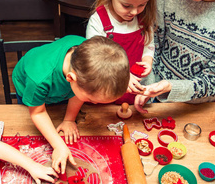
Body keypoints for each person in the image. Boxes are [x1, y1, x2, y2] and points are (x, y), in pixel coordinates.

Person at [12, 35, 130, 174]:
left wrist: (69, 119)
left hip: (62, 89)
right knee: (36, 105)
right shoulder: (38, 81)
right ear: (70, 78)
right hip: (27, 85)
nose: (95, 103)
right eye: (91, 100)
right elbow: (38, 112)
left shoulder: (85, 58)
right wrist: (59, 146)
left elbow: (77, 91)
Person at [86, 0, 172, 104]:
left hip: (137, 90)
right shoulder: (98, 21)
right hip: (108, 88)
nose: (134, 12)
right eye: (127, 6)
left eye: (142, 4)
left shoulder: (143, 18)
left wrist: (147, 60)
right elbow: (95, 62)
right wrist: (123, 77)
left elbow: (149, 44)